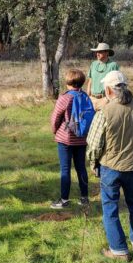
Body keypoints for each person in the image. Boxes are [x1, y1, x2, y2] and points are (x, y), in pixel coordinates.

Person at [86, 70, 133, 262]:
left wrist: (92, 162)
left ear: (108, 90)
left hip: (110, 166)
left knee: (110, 208)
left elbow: (94, 144)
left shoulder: (105, 111)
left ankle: (118, 250)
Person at [49, 69, 89, 209]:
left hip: (65, 139)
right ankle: (84, 197)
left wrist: (55, 131)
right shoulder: (85, 96)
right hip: (82, 138)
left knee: (65, 169)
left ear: (68, 82)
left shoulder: (65, 97)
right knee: (81, 168)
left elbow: (55, 117)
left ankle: (64, 200)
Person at [86, 43, 120, 111]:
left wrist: (109, 99)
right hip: (92, 99)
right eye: (97, 52)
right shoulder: (93, 64)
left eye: (100, 52)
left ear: (107, 52)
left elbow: (116, 84)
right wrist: (88, 97)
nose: (97, 54)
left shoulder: (113, 65)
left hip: (105, 99)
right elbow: (90, 81)